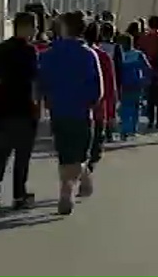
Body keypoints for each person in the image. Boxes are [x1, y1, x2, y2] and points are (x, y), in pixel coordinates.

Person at [38, 12, 103, 215]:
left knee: (65, 154)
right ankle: (70, 187)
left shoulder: (48, 54)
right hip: (81, 112)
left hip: (59, 111)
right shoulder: (88, 54)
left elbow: (41, 83)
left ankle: (71, 184)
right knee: (79, 153)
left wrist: (46, 101)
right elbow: (98, 89)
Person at [0, 12, 39, 213]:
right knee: (21, 156)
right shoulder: (29, 51)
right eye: (33, 27)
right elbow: (33, 80)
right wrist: (37, 107)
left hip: (3, 108)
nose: (35, 31)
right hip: (24, 108)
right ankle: (19, 194)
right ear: (25, 28)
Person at [84, 21, 118, 174]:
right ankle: (87, 171)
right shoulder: (103, 57)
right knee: (95, 149)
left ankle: (79, 175)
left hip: (76, 109)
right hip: (98, 110)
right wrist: (111, 112)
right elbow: (110, 87)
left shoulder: (79, 54)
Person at [117, 34, 151, 139]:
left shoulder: (119, 56)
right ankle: (132, 129)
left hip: (123, 84)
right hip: (137, 83)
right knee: (136, 107)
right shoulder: (138, 54)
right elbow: (147, 68)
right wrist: (145, 80)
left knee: (125, 107)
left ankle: (124, 130)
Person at [136, 16, 158, 130]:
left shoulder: (144, 38)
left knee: (150, 97)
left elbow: (140, 51)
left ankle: (150, 120)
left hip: (148, 69)